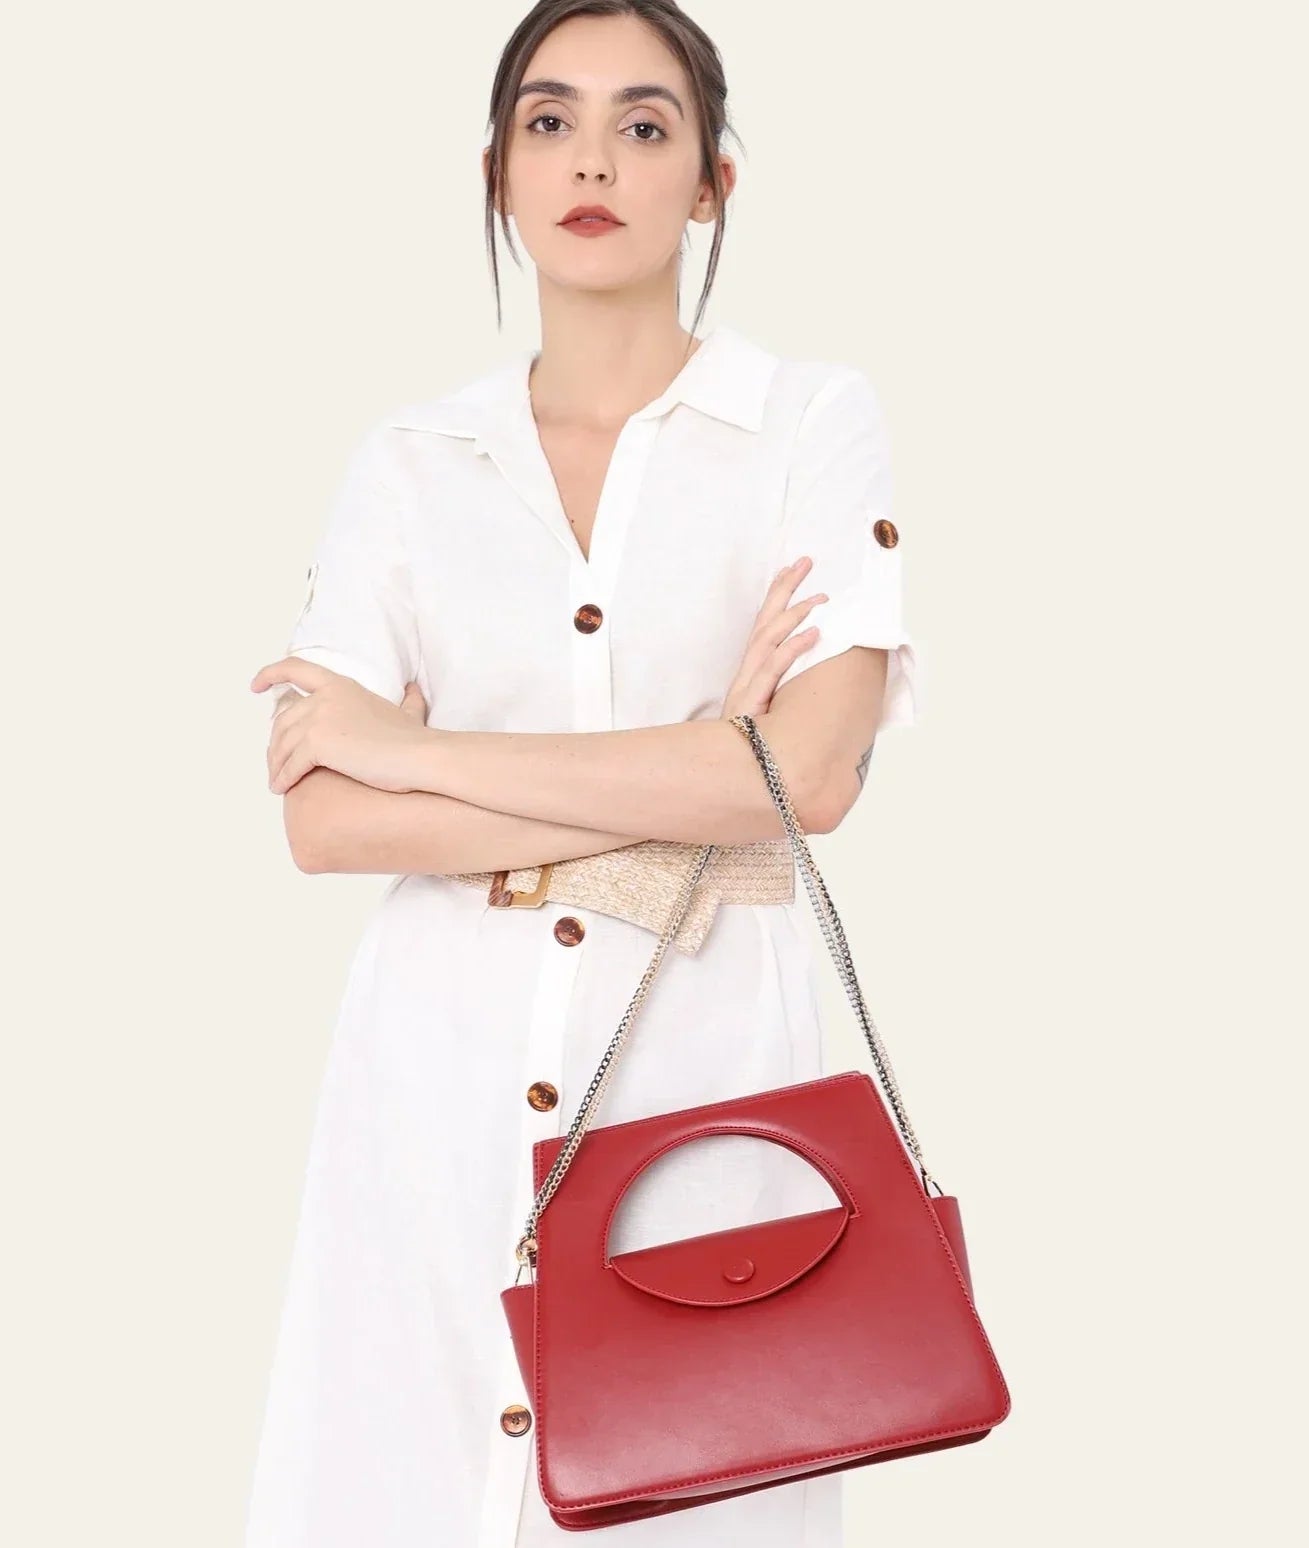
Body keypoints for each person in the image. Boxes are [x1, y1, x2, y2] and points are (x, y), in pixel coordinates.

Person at [244, 3, 919, 1544]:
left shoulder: (809, 423)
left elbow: (807, 779)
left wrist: (415, 756)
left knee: (697, 1490)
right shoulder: (412, 462)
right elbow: (325, 822)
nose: (591, 161)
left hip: (708, 1074)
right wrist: (698, 764)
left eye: (644, 123)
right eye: (547, 122)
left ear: (712, 183)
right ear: (496, 173)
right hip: (433, 1078)